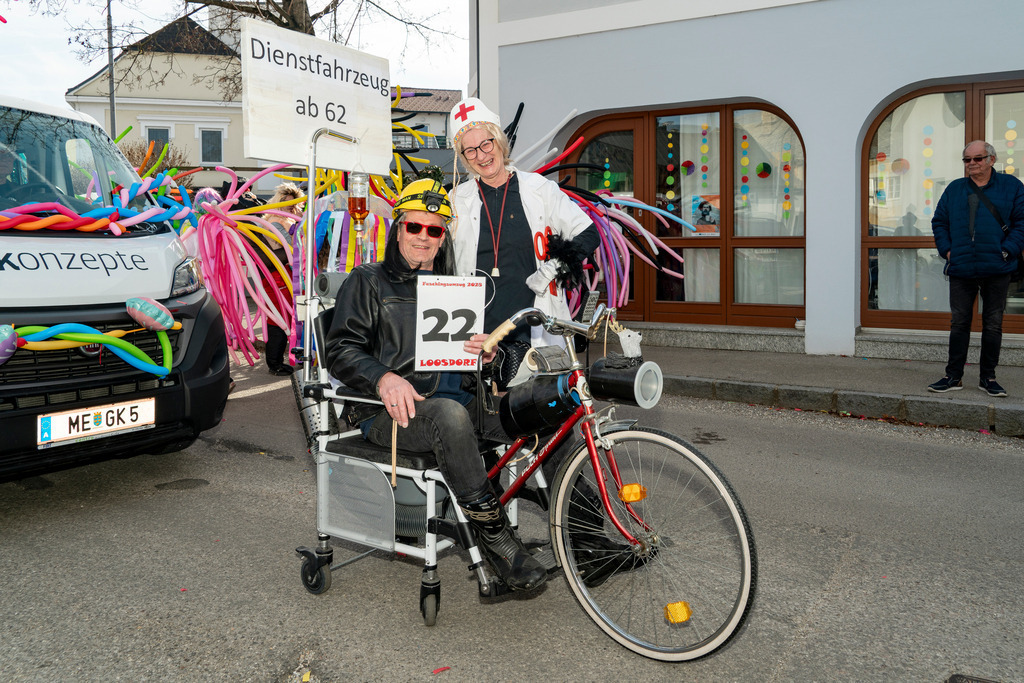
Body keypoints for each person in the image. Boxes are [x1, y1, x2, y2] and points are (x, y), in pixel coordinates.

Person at [325, 179, 548, 592]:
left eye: (434, 229)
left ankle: (584, 534)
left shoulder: (455, 286)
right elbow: (340, 349)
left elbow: (470, 352)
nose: (423, 237)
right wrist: (383, 377)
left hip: (463, 400)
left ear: (443, 237)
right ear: (398, 229)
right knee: (450, 414)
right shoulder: (369, 280)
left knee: (543, 407)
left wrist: (487, 354)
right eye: (414, 226)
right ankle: (499, 542)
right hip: (392, 411)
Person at [447, 98, 602, 380]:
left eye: (486, 144)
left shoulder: (540, 189)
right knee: (484, 404)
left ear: (499, 141)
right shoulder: (456, 201)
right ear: (464, 157)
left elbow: (589, 232)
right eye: (470, 150)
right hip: (479, 333)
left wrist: (555, 266)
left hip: (534, 325)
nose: (481, 156)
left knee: (539, 402)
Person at [929, 140, 1024, 397]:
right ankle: (953, 376)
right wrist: (948, 251)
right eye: (967, 159)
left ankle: (988, 378)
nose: (972, 163)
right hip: (962, 267)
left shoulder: (1012, 186)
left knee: (993, 324)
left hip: (997, 266)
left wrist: (1007, 250)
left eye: (978, 158)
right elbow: (939, 222)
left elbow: (1022, 223)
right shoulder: (954, 189)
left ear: (991, 159)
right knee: (959, 323)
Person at [260, 182, 304, 375]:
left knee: (289, 317)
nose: (290, 205)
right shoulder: (276, 221)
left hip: (286, 275)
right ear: (278, 201)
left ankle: (279, 361)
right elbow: (292, 246)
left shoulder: (286, 219)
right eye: (286, 202)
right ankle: (274, 363)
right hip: (278, 276)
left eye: (293, 202)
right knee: (279, 319)